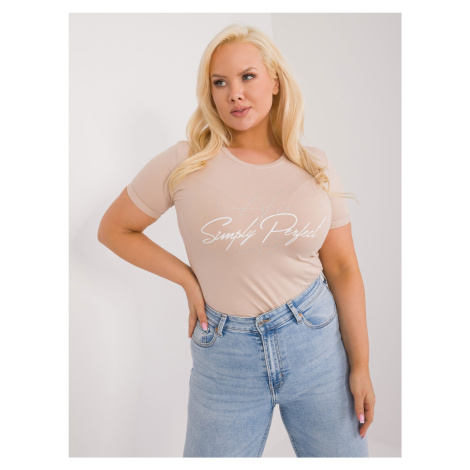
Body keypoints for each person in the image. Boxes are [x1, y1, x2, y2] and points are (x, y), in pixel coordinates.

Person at [97, 23, 375, 458]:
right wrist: (188, 279)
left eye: (248, 76)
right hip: (225, 358)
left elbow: (342, 268)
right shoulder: (184, 162)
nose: (235, 94)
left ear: (275, 81)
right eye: (220, 82)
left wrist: (361, 365)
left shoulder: (315, 167)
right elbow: (114, 229)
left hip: (315, 344)